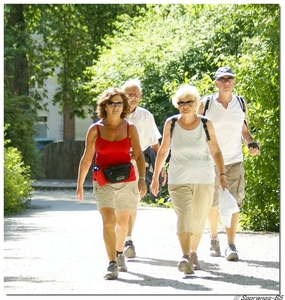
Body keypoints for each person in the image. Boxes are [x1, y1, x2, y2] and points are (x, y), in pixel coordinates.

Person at [151, 84, 228, 275]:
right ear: (177, 105)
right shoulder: (172, 123)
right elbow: (163, 150)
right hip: (178, 179)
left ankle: (193, 252)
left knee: (199, 219)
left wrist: (223, 175)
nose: (185, 105)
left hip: (204, 178)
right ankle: (185, 256)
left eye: (189, 102)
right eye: (181, 102)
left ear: (196, 103)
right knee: (184, 215)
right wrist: (155, 177)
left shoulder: (205, 123)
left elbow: (216, 151)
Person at [76, 87, 147, 280]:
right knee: (109, 220)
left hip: (127, 180)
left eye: (119, 103)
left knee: (123, 222)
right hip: (103, 181)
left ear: (124, 106)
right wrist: (80, 184)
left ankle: (119, 252)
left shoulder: (130, 128)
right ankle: (112, 263)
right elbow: (86, 158)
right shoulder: (96, 129)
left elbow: (139, 155)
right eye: (111, 103)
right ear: (104, 106)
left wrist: (142, 179)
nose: (115, 107)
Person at [197, 66, 260, 261]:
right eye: (222, 79)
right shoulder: (206, 104)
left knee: (233, 204)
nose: (226, 82)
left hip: (234, 161)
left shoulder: (240, 103)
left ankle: (231, 245)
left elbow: (244, 130)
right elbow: (197, 130)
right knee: (213, 204)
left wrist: (251, 143)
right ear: (216, 82)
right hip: (210, 161)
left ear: (233, 82)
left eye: (229, 79)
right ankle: (214, 238)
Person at [121, 79, 167, 258]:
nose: (132, 97)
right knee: (119, 203)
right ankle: (120, 238)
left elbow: (155, 143)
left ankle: (128, 239)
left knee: (133, 202)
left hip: (138, 163)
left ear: (140, 97)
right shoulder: (115, 113)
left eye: (135, 94)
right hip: (117, 162)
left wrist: (160, 167)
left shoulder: (146, 115)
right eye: (129, 94)